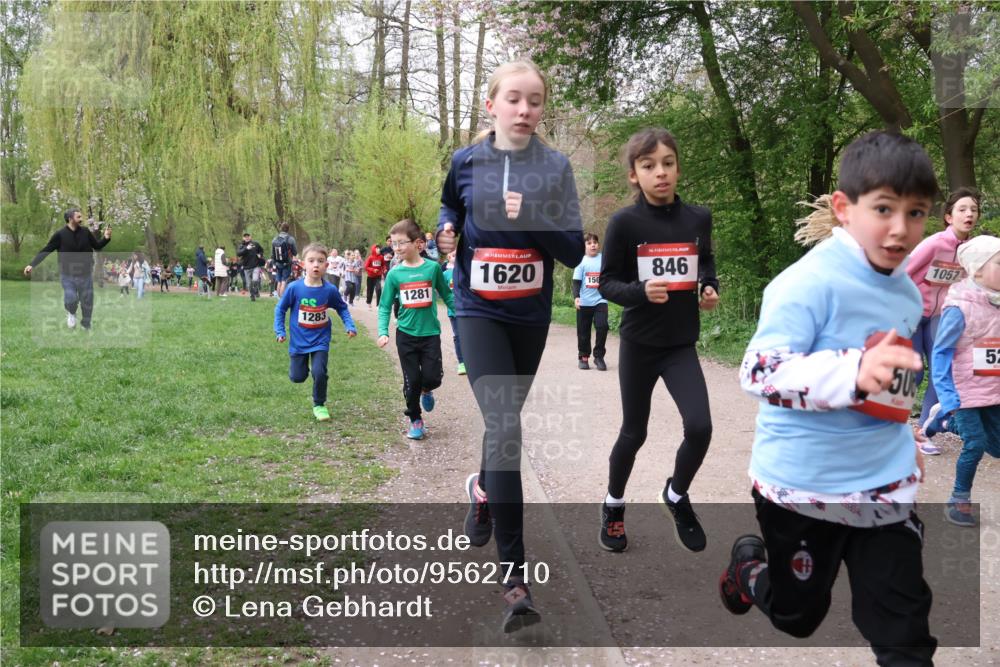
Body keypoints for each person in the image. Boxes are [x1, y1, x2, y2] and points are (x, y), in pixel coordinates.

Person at [718, 131, 938, 666]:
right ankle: (750, 569)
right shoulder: (806, 284)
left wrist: (903, 431)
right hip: (801, 488)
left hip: (881, 488)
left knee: (904, 635)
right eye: (883, 208)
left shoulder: (908, 294)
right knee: (798, 618)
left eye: (916, 213)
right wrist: (854, 371)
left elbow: (891, 381)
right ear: (844, 208)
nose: (900, 228)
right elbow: (759, 372)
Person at [436, 59, 584, 633]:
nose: (525, 110)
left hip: (528, 314)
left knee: (503, 425)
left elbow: (571, 250)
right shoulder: (466, 161)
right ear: (492, 105)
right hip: (476, 309)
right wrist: (446, 228)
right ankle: (514, 578)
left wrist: (538, 220)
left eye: (536, 101)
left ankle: (481, 488)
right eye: (515, 99)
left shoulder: (554, 166)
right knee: (507, 429)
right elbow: (450, 205)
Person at [597, 128, 719, 554]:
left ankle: (676, 494)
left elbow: (705, 261)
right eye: (649, 166)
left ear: (678, 168)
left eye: (668, 163)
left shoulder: (698, 218)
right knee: (634, 432)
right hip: (639, 344)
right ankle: (613, 505)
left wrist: (708, 287)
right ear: (634, 175)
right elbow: (607, 284)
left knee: (701, 427)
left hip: (680, 343)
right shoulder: (625, 223)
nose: (660, 172)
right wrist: (640, 292)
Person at [925, 235, 1000, 526]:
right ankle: (959, 500)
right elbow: (941, 354)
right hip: (963, 390)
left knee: (997, 446)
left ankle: (947, 422)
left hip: (993, 389)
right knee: (976, 444)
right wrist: (947, 396)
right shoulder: (959, 308)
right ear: (978, 269)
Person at [905, 187, 981, 454]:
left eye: (973, 209)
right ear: (949, 217)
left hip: (940, 316)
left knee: (942, 372)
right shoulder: (935, 243)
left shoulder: (972, 251)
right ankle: (891, 426)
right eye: (962, 209)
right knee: (913, 373)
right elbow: (903, 273)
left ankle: (924, 431)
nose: (968, 214)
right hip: (911, 314)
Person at [377, 220, 454, 439]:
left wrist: (462, 314)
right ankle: (415, 420)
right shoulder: (394, 274)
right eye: (393, 244)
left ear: (419, 244)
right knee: (411, 381)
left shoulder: (432, 268)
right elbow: (384, 306)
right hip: (406, 335)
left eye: (402, 243)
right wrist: (383, 331)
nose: (397, 248)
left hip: (430, 334)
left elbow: (446, 295)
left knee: (433, 378)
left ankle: (426, 389)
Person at [274, 243, 356, 421]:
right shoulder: (294, 288)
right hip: (299, 341)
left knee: (319, 372)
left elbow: (342, 308)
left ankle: (319, 404)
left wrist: (350, 326)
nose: (316, 265)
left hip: (321, 340)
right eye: (311, 261)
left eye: (320, 261)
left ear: (327, 265)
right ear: (303, 264)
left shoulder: (329, 290)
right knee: (297, 377)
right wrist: (280, 330)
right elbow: (280, 309)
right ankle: (300, 370)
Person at [24, 208, 112, 330]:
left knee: (87, 300)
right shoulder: (60, 235)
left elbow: (97, 246)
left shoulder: (86, 232)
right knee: (71, 298)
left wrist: (106, 237)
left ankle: (86, 324)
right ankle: (71, 313)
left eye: (81, 217)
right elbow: (47, 249)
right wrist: (32, 264)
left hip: (85, 273)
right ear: (70, 219)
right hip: (67, 274)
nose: (81, 219)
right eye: (78, 217)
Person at [572, 233, 609, 371]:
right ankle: (583, 357)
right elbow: (576, 282)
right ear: (585, 246)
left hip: (601, 300)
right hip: (584, 302)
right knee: (583, 331)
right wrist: (576, 297)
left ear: (598, 245)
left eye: (595, 242)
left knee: (602, 326)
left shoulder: (604, 259)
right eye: (589, 243)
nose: (593, 245)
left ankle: (599, 356)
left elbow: (608, 276)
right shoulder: (580, 261)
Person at [442, 251, 465, 375]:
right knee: (458, 336)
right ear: (448, 258)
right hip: (453, 311)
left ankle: (473, 361)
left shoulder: (466, 270)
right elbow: (441, 291)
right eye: (453, 255)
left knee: (469, 335)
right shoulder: (445, 274)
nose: (455, 257)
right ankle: (462, 363)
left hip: (467, 309)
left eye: (457, 254)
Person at [271, 223, 298, 298]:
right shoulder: (290, 239)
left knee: (279, 281)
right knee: (284, 281)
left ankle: (278, 298)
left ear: (280, 229)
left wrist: (274, 262)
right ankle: (282, 298)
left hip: (277, 263)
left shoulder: (275, 239)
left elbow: (272, 253)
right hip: (286, 263)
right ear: (288, 229)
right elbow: (295, 252)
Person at [237, 232, 266, 301]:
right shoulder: (242, 246)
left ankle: (256, 290)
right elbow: (238, 253)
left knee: (255, 280)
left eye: (248, 236)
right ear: (243, 238)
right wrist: (246, 248)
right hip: (246, 268)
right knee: (249, 284)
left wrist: (260, 255)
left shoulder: (255, 244)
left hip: (256, 266)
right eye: (245, 236)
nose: (246, 237)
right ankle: (252, 295)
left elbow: (261, 250)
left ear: (250, 237)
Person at [364, 244, 385, 309]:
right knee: (370, 290)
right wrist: (373, 270)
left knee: (379, 289)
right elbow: (366, 267)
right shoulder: (370, 257)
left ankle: (378, 304)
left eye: (379, 248)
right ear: (374, 249)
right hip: (370, 276)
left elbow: (383, 265)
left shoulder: (381, 257)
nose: (379, 249)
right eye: (377, 248)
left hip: (378, 276)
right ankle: (369, 303)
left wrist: (384, 269)